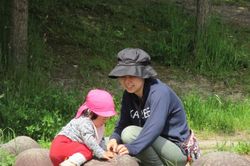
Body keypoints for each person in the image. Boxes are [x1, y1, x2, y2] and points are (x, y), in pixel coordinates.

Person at [107, 48, 200, 166]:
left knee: (129, 134)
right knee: (105, 141)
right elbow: (123, 122)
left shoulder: (159, 92)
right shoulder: (129, 94)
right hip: (151, 145)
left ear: (143, 75)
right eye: (123, 76)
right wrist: (114, 138)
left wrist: (133, 147)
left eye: (132, 75)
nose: (127, 81)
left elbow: (155, 126)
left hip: (176, 149)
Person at [49, 89, 116, 166]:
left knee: (89, 149)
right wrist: (102, 153)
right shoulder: (85, 122)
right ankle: (70, 164)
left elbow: (99, 140)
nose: (106, 120)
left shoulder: (97, 124)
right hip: (62, 146)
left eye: (108, 118)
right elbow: (90, 140)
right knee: (88, 150)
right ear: (91, 113)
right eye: (104, 118)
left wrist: (106, 149)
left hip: (69, 150)